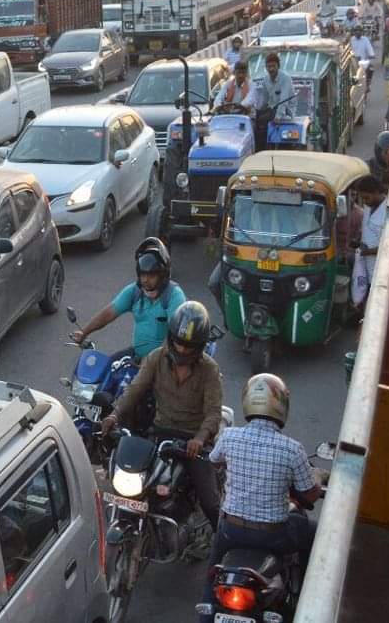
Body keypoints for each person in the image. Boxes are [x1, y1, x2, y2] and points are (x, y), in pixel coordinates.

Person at [198, 374, 322, 623]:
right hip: (273, 536)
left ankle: (206, 613)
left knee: (211, 578)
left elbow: (214, 460)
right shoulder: (292, 449)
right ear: (282, 407)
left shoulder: (230, 436)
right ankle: (308, 599)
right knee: (313, 532)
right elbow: (310, 492)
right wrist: (318, 479)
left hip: (231, 531)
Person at [100, 301, 224, 531]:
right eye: (178, 342)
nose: (182, 349)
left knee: (211, 503)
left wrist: (199, 438)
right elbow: (134, 390)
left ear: (200, 346)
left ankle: (220, 549)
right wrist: (114, 415)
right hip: (160, 434)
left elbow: (213, 413)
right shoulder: (156, 357)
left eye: (189, 346)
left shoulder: (209, 369)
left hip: (192, 441)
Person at [69, 237, 187, 363]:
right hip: (137, 355)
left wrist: (153, 364)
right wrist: (84, 332)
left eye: (151, 275)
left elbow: (176, 335)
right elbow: (108, 313)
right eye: (143, 274)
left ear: (162, 275)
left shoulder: (174, 296)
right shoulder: (134, 291)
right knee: (104, 370)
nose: (145, 280)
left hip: (164, 361)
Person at [244, 53, 297, 151]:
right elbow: (264, 99)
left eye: (273, 66)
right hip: (272, 109)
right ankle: (258, 149)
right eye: (269, 66)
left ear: (278, 66)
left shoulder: (286, 78)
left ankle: (267, 147)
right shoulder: (266, 79)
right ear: (266, 67)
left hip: (286, 111)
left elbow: (283, 100)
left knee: (267, 121)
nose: (271, 69)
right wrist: (257, 111)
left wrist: (278, 116)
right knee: (255, 120)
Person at [355, 175, 387, 310]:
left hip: (381, 272)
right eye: (362, 198)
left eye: (367, 198)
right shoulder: (368, 207)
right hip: (365, 268)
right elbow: (366, 230)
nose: (365, 202)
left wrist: (367, 251)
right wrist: (359, 242)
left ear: (377, 192)